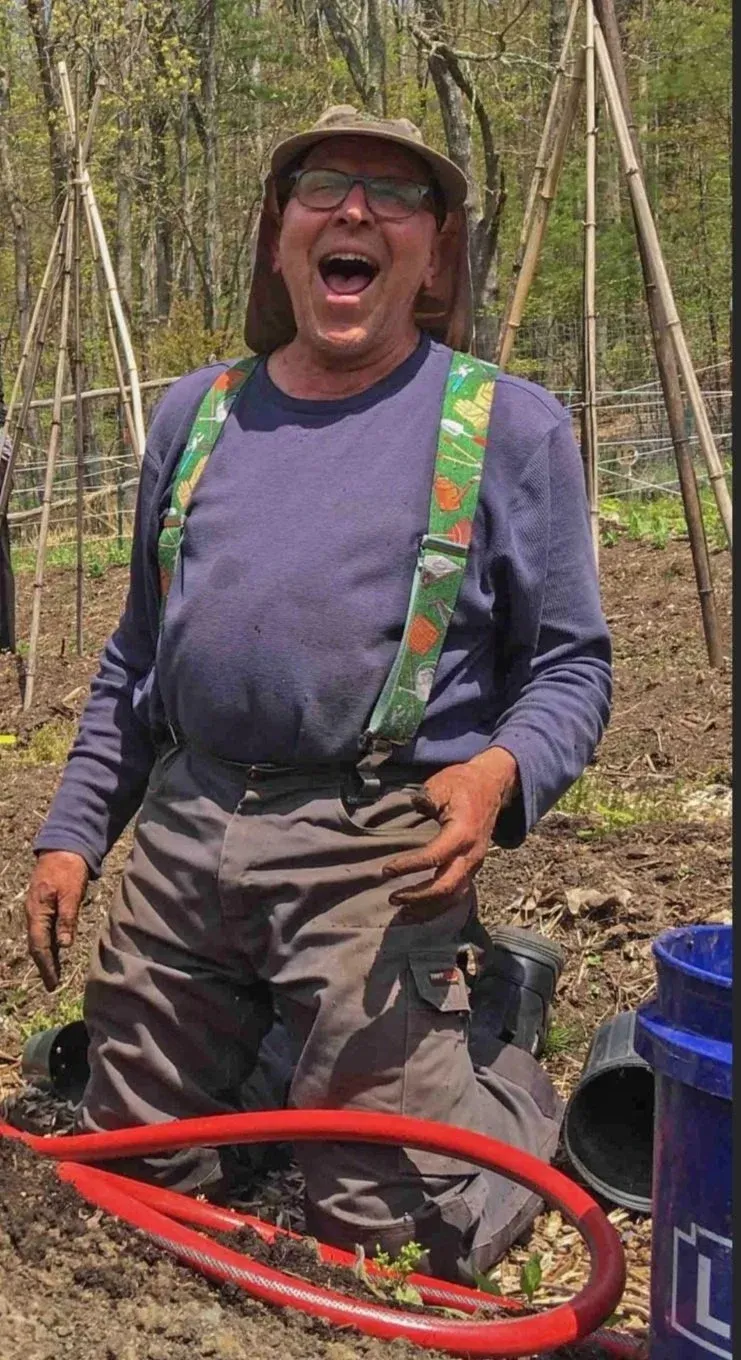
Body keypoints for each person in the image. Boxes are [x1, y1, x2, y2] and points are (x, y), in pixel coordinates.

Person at [24, 106, 611, 1282]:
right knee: (128, 1172)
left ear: (435, 255)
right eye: (324, 187)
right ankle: (275, 1046)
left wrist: (499, 773)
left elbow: (571, 666)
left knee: (391, 1228)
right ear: (279, 237)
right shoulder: (197, 419)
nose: (355, 211)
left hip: (372, 846)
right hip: (190, 827)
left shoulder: (503, 427)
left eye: (394, 198)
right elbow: (136, 661)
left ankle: (501, 1058)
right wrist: (76, 830)